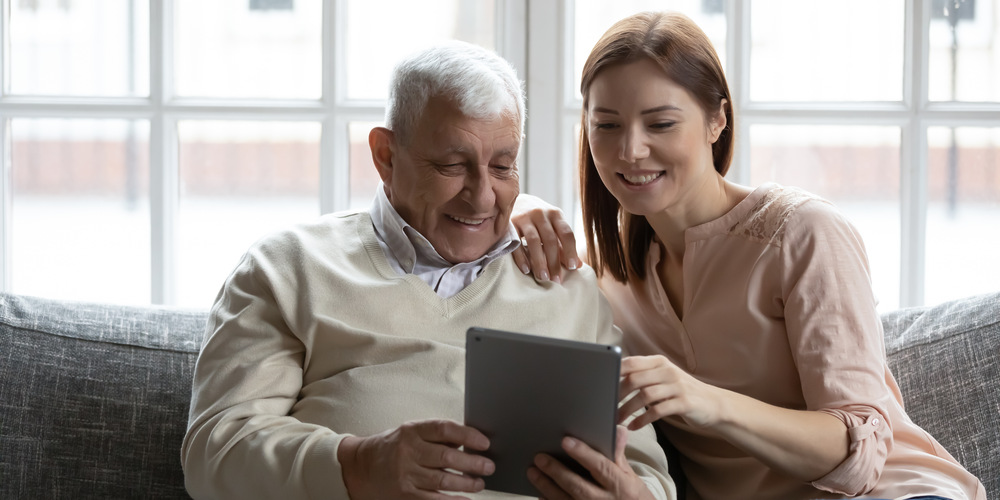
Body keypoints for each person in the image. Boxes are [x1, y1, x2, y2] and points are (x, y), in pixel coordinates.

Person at [511, 11, 986, 500]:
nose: (630, 150)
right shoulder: (603, 275)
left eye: (661, 123)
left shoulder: (802, 234)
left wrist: (702, 400)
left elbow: (858, 456)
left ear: (718, 119)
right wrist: (521, 206)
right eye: (606, 125)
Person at [180, 41, 676, 500]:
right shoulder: (288, 269)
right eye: (451, 166)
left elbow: (650, 475)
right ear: (385, 157)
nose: (482, 197)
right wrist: (356, 464)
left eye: (503, 167)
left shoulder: (565, 285)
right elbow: (214, 452)